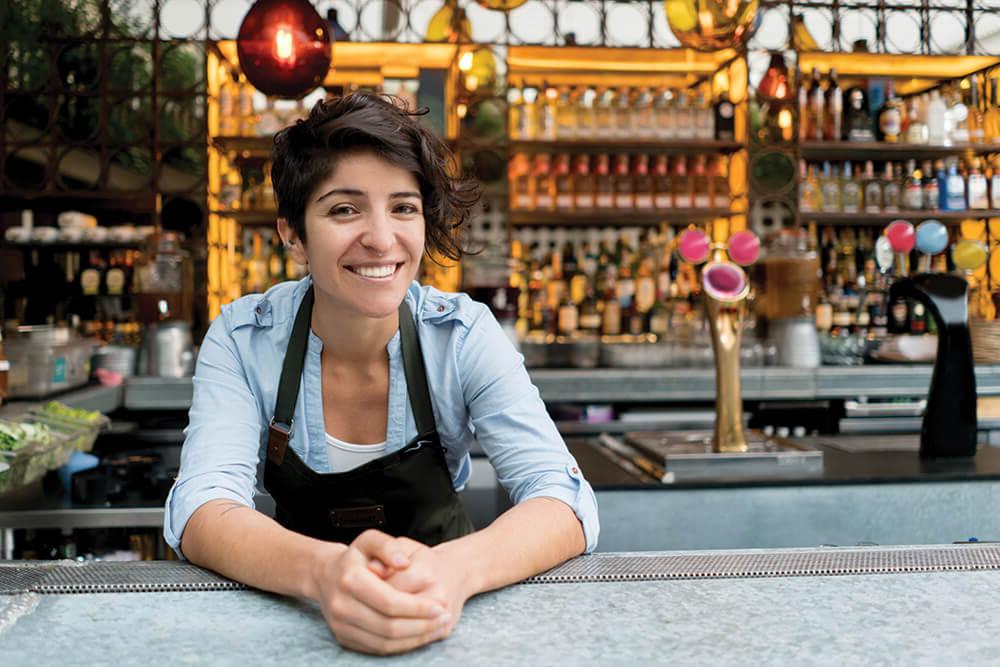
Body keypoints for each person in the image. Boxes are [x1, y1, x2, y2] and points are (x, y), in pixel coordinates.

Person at [164, 93, 599, 655]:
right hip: (298, 628)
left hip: (453, 628)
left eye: (403, 207)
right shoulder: (244, 338)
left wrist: (452, 573)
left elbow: (563, 501)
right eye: (344, 209)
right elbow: (202, 508)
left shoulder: (462, 335)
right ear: (293, 235)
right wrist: (326, 574)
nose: (381, 238)